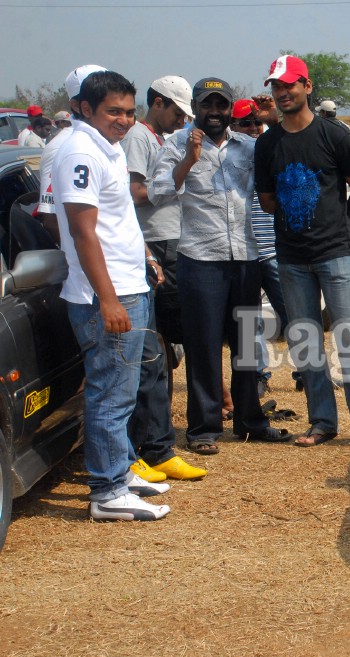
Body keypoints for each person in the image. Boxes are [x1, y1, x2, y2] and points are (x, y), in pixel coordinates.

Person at [255, 54, 350, 449]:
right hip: (291, 257)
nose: (282, 92)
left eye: (290, 85)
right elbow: (268, 201)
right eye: (276, 86)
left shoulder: (335, 136)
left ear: (307, 86)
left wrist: (337, 224)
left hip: (335, 254)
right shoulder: (267, 144)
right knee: (305, 341)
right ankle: (322, 422)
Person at [51, 69, 171, 521]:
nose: (123, 120)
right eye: (112, 112)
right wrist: (107, 299)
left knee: (126, 387)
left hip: (129, 284)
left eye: (128, 111)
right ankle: (106, 491)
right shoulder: (81, 151)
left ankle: (119, 471)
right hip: (107, 293)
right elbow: (83, 233)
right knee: (110, 394)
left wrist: (143, 262)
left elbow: (118, 220)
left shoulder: (109, 148)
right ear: (85, 108)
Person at [150, 77, 290, 456]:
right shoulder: (176, 144)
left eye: (221, 105)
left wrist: (272, 120)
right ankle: (203, 428)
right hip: (200, 259)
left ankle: (251, 422)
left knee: (245, 343)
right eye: (207, 105)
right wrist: (189, 161)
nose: (214, 112)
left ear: (231, 109)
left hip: (245, 257)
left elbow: (284, 154)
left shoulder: (248, 145)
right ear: (195, 107)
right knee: (204, 345)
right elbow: (157, 191)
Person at [121, 75, 206, 481]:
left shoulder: (160, 138)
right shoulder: (138, 136)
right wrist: (170, 184)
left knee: (163, 349)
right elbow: (134, 191)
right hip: (157, 243)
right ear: (157, 103)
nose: (180, 119)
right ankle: (151, 443)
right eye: (176, 112)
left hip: (172, 241)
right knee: (157, 348)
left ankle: (158, 440)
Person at [230, 98, 291, 396]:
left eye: (256, 121)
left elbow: (292, 141)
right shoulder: (227, 154)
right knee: (248, 318)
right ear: (232, 126)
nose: (253, 127)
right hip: (242, 251)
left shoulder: (269, 148)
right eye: (245, 122)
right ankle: (257, 375)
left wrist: (275, 119)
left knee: (294, 314)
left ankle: (310, 371)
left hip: (274, 248)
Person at [37, 65, 107, 245]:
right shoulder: (62, 147)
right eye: (102, 99)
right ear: (77, 105)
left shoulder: (108, 143)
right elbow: (51, 220)